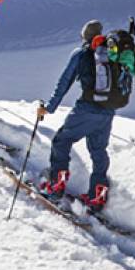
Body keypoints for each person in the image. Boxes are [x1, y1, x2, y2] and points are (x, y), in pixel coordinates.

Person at [35, 20, 114, 211]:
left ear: (85, 36)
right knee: (98, 151)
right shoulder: (112, 54)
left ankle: (56, 185)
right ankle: (98, 195)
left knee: (61, 141)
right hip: (108, 111)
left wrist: (49, 107)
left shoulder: (81, 54)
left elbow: (64, 82)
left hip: (86, 109)